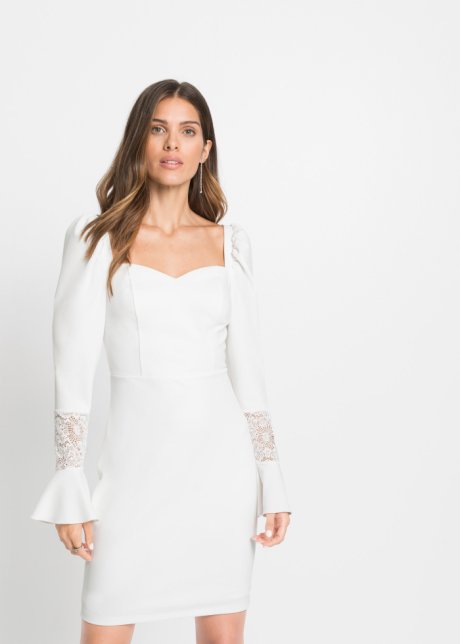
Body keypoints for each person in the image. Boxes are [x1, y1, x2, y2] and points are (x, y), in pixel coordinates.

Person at [30, 79, 292, 644]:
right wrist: (69, 479)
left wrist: (271, 477)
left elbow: (249, 374)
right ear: (139, 142)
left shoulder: (231, 245)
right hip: (132, 475)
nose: (172, 143)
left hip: (220, 476)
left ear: (205, 149)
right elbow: (72, 368)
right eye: (158, 129)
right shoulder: (96, 239)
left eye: (187, 131)